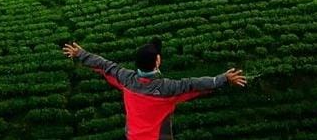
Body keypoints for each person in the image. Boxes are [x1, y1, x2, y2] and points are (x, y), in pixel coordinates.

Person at [62, 38, 246, 139]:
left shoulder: (126, 80)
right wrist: (223, 79)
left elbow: (105, 66)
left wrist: (81, 54)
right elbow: (194, 85)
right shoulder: (167, 89)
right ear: (158, 61)